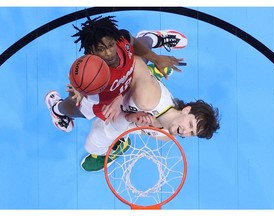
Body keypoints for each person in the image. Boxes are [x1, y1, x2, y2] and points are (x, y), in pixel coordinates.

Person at [45, 15, 188, 132]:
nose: (108, 52)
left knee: (139, 49)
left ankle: (154, 37)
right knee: (79, 111)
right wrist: (78, 91)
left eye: (110, 45)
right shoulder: (91, 73)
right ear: (92, 51)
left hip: (127, 75)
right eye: (101, 49)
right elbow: (78, 83)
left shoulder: (121, 39)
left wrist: (157, 59)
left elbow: (133, 43)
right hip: (108, 96)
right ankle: (56, 109)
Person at [81, 56, 220, 172]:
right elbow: (134, 60)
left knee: (92, 146)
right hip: (117, 93)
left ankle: (119, 144)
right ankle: (151, 73)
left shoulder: (166, 136)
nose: (186, 131)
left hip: (125, 116)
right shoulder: (149, 100)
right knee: (83, 101)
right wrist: (118, 96)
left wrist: (132, 120)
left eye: (192, 133)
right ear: (186, 110)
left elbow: (133, 129)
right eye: (190, 124)